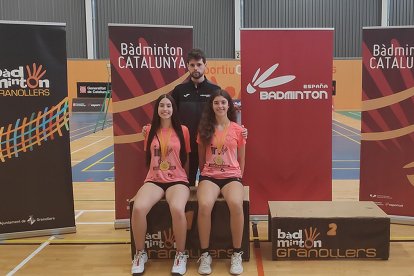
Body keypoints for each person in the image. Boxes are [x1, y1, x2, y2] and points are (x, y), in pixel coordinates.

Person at [131, 94, 191, 275]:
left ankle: (181, 254)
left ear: (174, 109)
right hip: (154, 180)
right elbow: (149, 156)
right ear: (157, 109)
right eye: (162, 106)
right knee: (138, 208)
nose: (165, 109)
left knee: (177, 209)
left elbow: (186, 158)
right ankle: (140, 253)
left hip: (177, 180)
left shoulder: (184, 130)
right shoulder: (149, 130)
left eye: (169, 106)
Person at [196, 90, 246, 275]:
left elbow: (242, 159)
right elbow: (201, 159)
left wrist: (238, 178)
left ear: (229, 105)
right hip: (210, 175)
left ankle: (237, 253)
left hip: (232, 175)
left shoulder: (238, 129)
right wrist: (205, 175)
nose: (220, 106)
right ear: (212, 106)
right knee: (204, 205)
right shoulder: (204, 129)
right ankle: (205, 254)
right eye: (216, 103)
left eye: (223, 103)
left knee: (236, 204)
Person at [171, 48, 221, 186]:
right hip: (186, 146)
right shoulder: (179, 90)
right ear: (187, 66)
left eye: (199, 64)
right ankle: (190, 209)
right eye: (192, 65)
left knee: (210, 185)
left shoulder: (215, 90)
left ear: (205, 65)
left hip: (209, 145)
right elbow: (168, 115)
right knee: (187, 183)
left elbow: (223, 116)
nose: (195, 68)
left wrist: (239, 129)